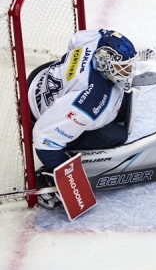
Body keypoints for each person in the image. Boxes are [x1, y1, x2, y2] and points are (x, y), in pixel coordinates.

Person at [28, 29, 139, 209]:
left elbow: (75, 40)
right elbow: (44, 137)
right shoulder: (89, 101)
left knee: (121, 99)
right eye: (122, 67)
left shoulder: (99, 39)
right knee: (118, 135)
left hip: (37, 81)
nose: (128, 72)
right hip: (39, 115)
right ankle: (48, 175)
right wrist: (60, 173)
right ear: (105, 62)